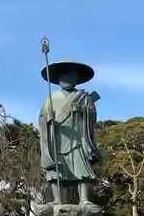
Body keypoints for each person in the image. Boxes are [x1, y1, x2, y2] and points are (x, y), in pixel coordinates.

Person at [39, 60, 102, 205]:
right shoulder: (51, 98)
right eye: (64, 76)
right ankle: (57, 199)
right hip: (58, 138)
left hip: (78, 138)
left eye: (71, 76)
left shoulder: (84, 97)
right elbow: (42, 118)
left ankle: (84, 199)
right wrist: (47, 119)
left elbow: (92, 116)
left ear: (76, 79)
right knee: (56, 170)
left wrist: (82, 111)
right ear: (59, 78)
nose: (67, 79)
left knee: (82, 168)